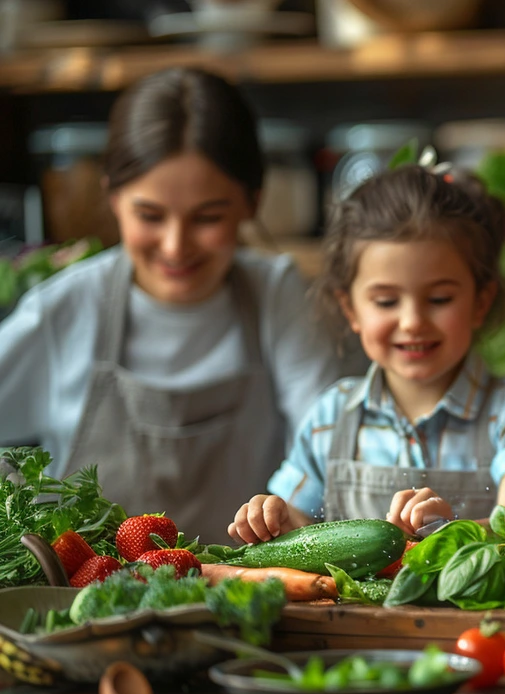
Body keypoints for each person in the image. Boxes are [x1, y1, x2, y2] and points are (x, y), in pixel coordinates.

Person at [0, 68, 341, 541]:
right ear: (113, 198)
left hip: (248, 606)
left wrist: (302, 511)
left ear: (252, 202)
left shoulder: (274, 294)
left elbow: (330, 442)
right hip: (83, 610)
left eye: (207, 217)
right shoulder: (67, 306)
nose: (176, 246)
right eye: (150, 215)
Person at [227, 156, 505, 544]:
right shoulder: (332, 415)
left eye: (440, 298)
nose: (412, 321)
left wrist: (452, 533)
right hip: (350, 608)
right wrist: (273, 516)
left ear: (481, 301)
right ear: (351, 309)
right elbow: (300, 522)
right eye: (386, 301)